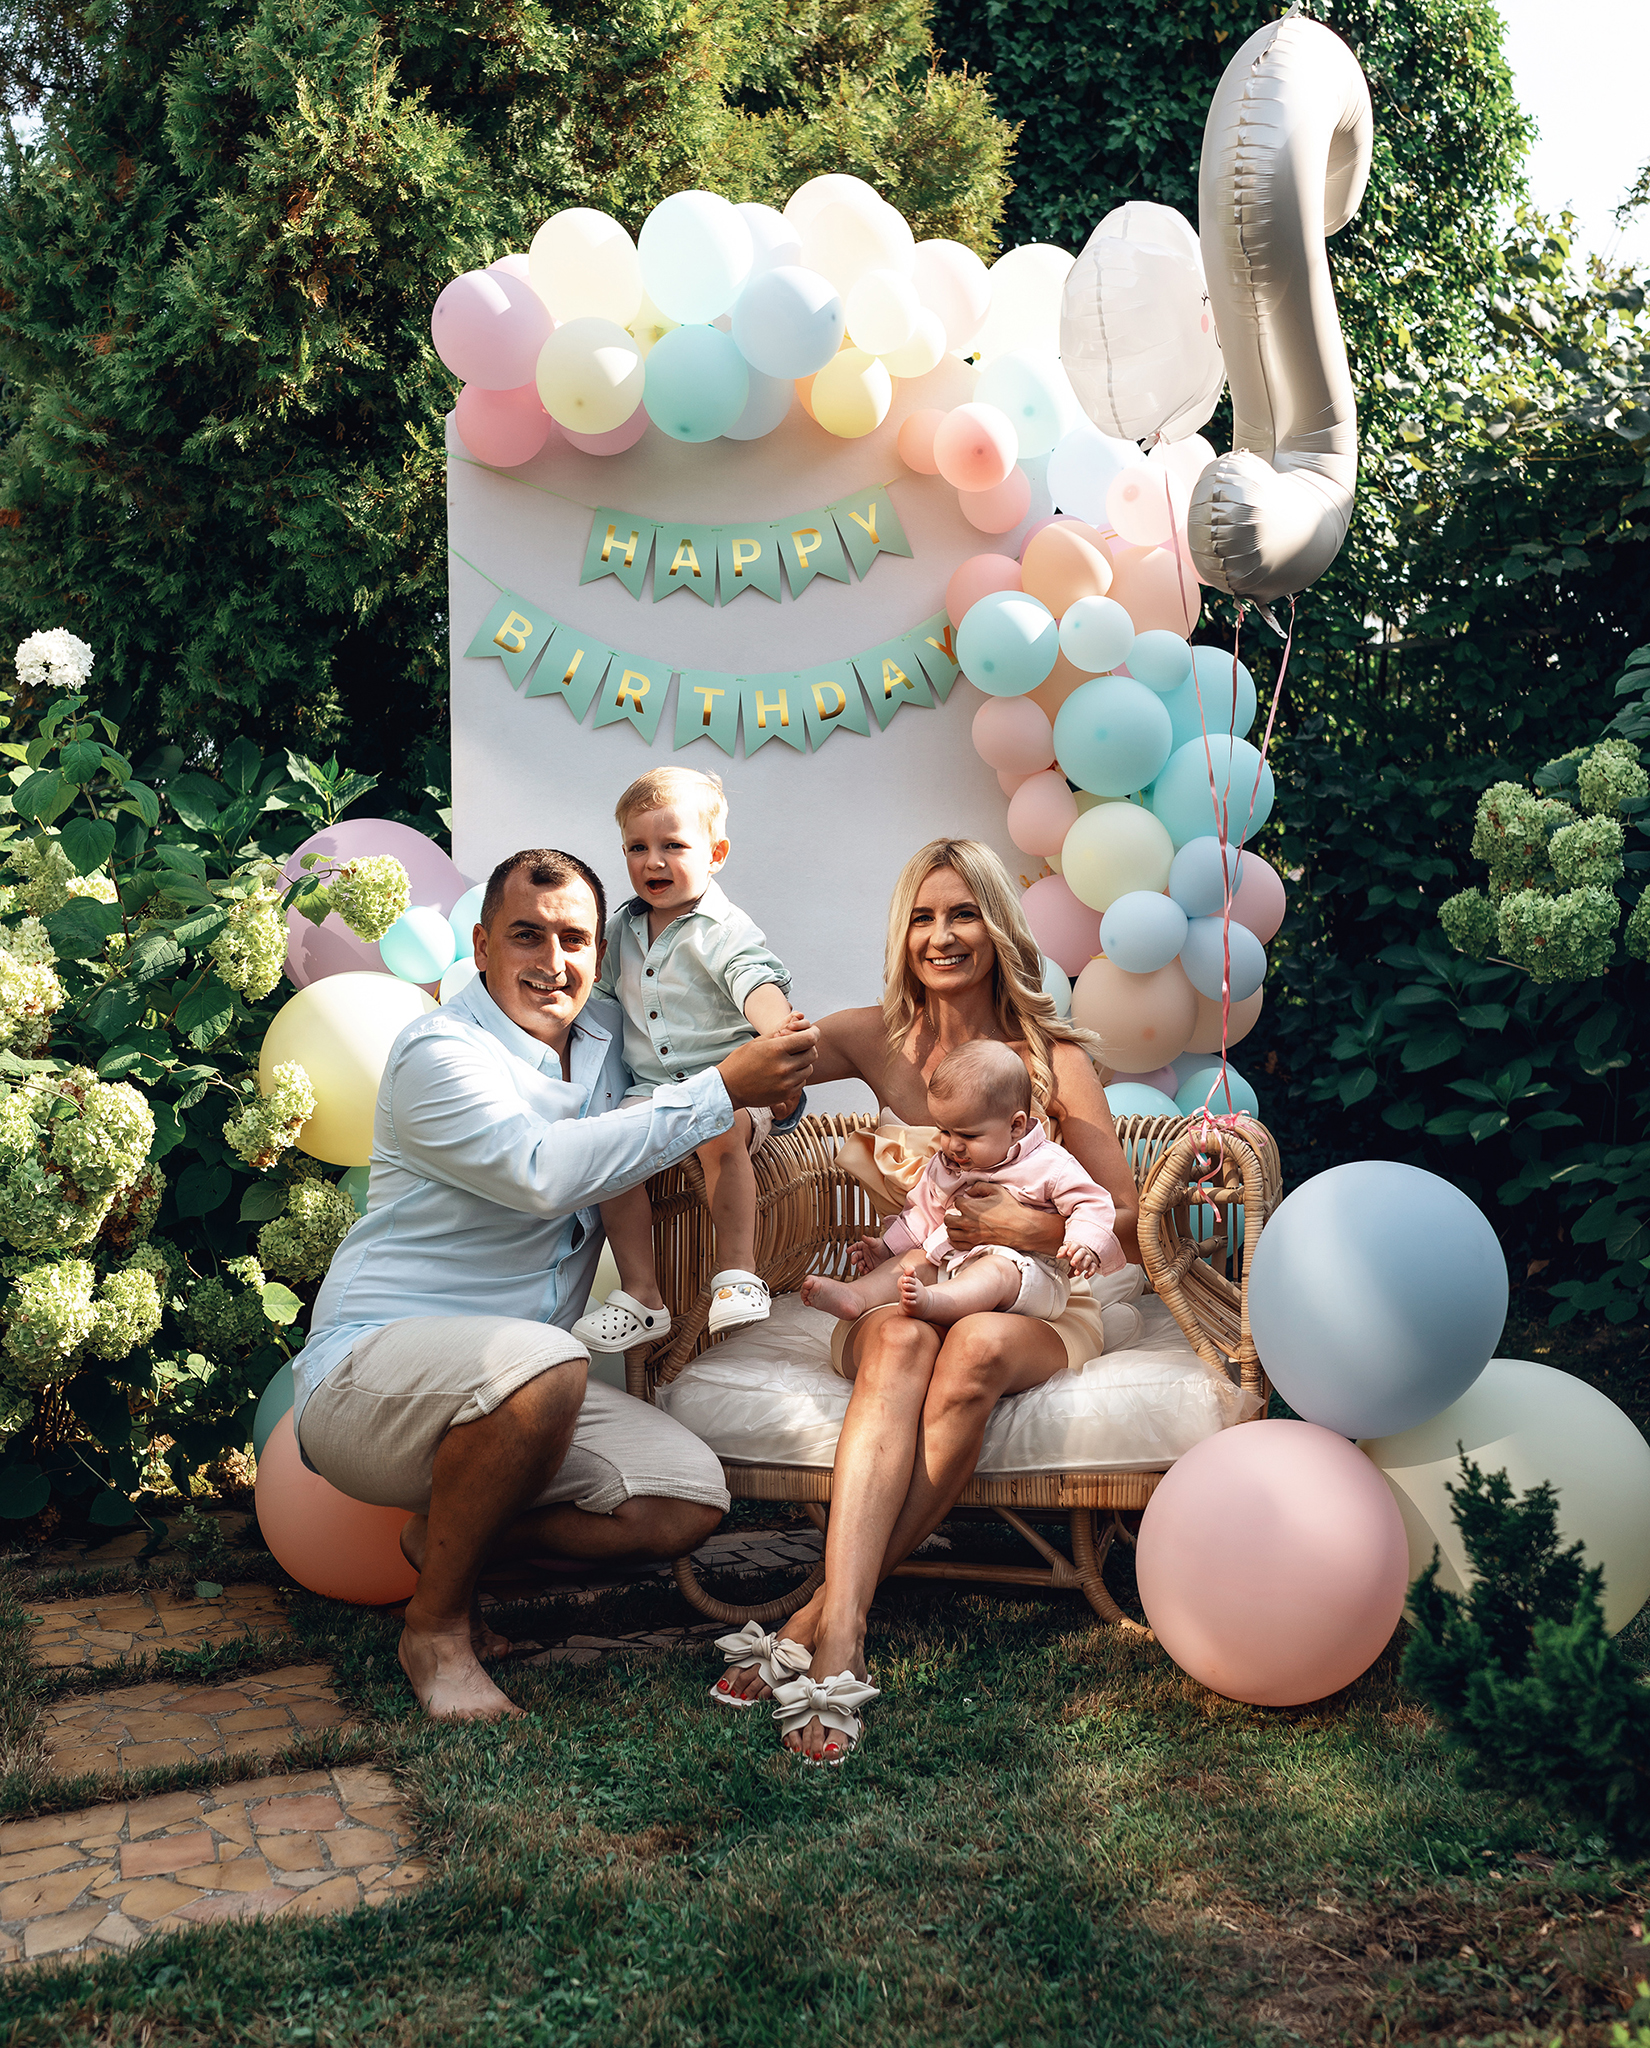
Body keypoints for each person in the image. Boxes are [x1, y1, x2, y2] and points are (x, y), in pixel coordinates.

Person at [297, 846, 816, 1723]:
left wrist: (760, 1105)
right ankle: (436, 1630)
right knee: (547, 1360)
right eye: (526, 935)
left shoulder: (608, 1038)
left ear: (598, 953)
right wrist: (720, 1089)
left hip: (519, 1389)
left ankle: (443, 1541)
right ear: (481, 944)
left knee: (683, 1499)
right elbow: (542, 1171)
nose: (553, 960)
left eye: (574, 939)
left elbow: (698, 1080)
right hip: (367, 1378)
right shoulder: (439, 1051)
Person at [708, 838, 1143, 1763]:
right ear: (902, 934)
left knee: (975, 1345)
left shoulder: (1052, 1059)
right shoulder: (870, 1037)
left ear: (999, 927)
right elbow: (753, 1069)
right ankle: (844, 1634)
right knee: (907, 1341)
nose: (942, 936)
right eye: (922, 917)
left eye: (963, 914)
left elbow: (1131, 1218)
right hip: (914, 1285)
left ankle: (821, 1619)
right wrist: (732, 1121)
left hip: (1034, 1304)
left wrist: (1032, 1229)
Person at [572, 767, 799, 1350]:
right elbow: (596, 1002)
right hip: (653, 1091)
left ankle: (737, 1272)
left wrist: (779, 1034)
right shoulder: (622, 930)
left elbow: (753, 980)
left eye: (673, 845)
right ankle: (643, 1296)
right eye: (637, 847)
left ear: (715, 854)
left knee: (718, 1131)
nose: (653, 861)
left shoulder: (723, 928)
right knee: (608, 1148)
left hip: (733, 1083)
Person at [801, 1039, 1125, 1329]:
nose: (953, 1145)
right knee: (913, 1262)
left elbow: (1092, 1202)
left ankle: (934, 1303)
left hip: (1030, 1276)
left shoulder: (1049, 1164)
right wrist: (887, 1248)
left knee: (995, 1271)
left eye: (968, 1135)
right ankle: (856, 1296)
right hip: (955, 1264)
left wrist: (1083, 1242)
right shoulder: (946, 1165)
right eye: (944, 1131)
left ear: (1015, 1126)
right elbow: (922, 1211)